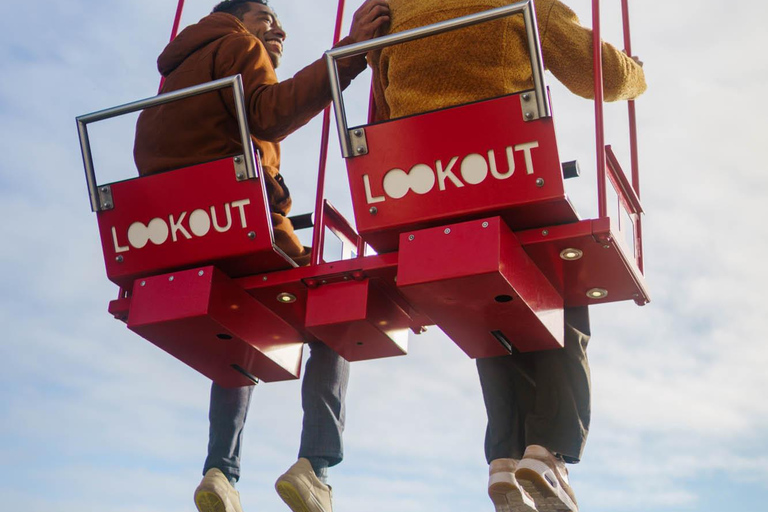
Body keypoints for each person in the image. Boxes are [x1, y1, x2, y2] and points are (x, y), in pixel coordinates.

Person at [367, 1, 646, 511]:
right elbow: (595, 75)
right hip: (504, 159)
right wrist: (636, 74)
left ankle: (503, 457)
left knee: (488, 305)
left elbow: (382, 106)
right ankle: (548, 451)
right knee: (560, 290)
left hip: (420, 178)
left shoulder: (398, 7)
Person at [133, 1, 390, 512]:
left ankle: (219, 471)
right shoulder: (238, 46)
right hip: (241, 226)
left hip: (176, 236)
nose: (280, 32)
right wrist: (350, 55)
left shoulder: (171, 82)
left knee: (238, 333)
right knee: (333, 310)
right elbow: (271, 113)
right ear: (235, 18)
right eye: (267, 20)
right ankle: (315, 465)